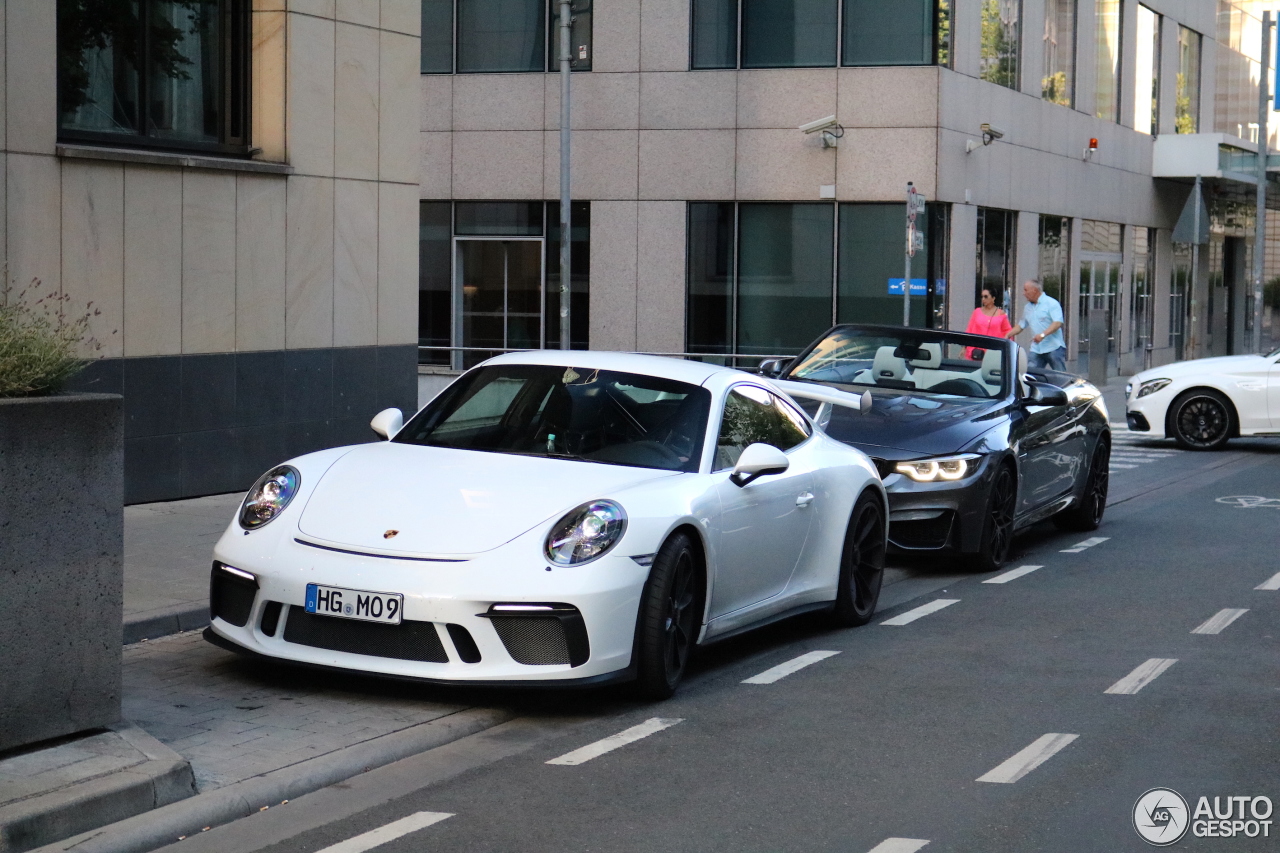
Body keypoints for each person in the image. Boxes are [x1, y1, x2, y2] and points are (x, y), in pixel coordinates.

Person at [1006, 279, 1066, 371]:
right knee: (1030, 375)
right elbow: (1021, 325)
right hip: (1036, 349)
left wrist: (1042, 335)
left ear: (1034, 290)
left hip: (1054, 347)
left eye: (1025, 290)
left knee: (1061, 376)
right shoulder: (1027, 308)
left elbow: (1057, 323)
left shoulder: (1051, 303)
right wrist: (1008, 335)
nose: (1023, 293)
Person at [964, 288, 1012, 359]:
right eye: (982, 297)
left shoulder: (1001, 314)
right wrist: (965, 347)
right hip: (976, 351)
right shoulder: (977, 312)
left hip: (993, 352)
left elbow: (1008, 332)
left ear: (993, 298)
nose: (983, 299)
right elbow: (969, 329)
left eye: (986, 296)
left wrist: (1005, 348)